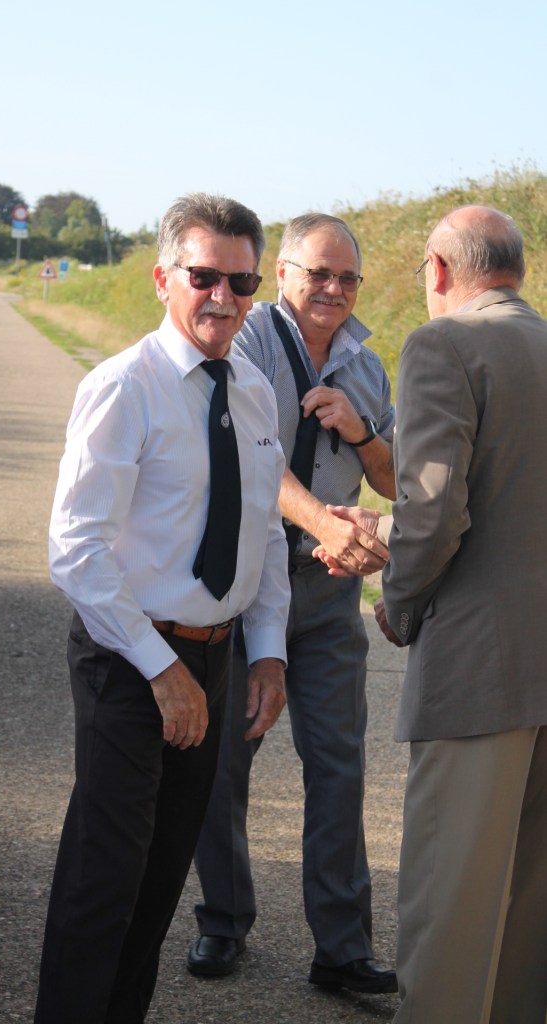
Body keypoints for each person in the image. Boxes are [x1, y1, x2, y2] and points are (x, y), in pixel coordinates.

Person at [34, 193, 291, 1024]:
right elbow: (75, 548)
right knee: (102, 883)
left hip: (212, 658)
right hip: (129, 658)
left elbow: (263, 531)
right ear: (161, 278)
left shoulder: (252, 390)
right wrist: (160, 669)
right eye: (204, 276)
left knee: (158, 883)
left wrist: (267, 650)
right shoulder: (123, 387)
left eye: (241, 281)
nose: (223, 297)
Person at [332, 205, 547, 1023]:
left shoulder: (444, 344)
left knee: (450, 904)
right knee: (527, 913)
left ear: (438, 269)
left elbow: (433, 511)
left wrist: (398, 599)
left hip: (478, 669)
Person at [188, 213, 398, 994]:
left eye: (347, 277)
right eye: (318, 273)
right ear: (281, 275)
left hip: (327, 594)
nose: (333, 289)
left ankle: (341, 950)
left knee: (339, 767)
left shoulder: (366, 366)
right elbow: (248, 458)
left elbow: (391, 479)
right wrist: (321, 521)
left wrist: (362, 432)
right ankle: (222, 921)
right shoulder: (243, 342)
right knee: (223, 762)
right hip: (241, 584)